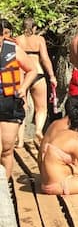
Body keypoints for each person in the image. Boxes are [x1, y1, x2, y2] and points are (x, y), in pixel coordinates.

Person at [1, 18, 35, 179]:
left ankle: (4, 187)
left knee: (7, 149)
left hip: (10, 102)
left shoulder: (13, 49)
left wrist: (23, 87)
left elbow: (31, 70)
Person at [16, 18, 56, 146]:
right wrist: (52, 76)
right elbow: (45, 58)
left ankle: (20, 140)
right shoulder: (39, 40)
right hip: (38, 73)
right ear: (34, 28)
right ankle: (38, 130)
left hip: (23, 75)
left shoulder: (18, 40)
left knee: (21, 107)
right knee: (41, 108)